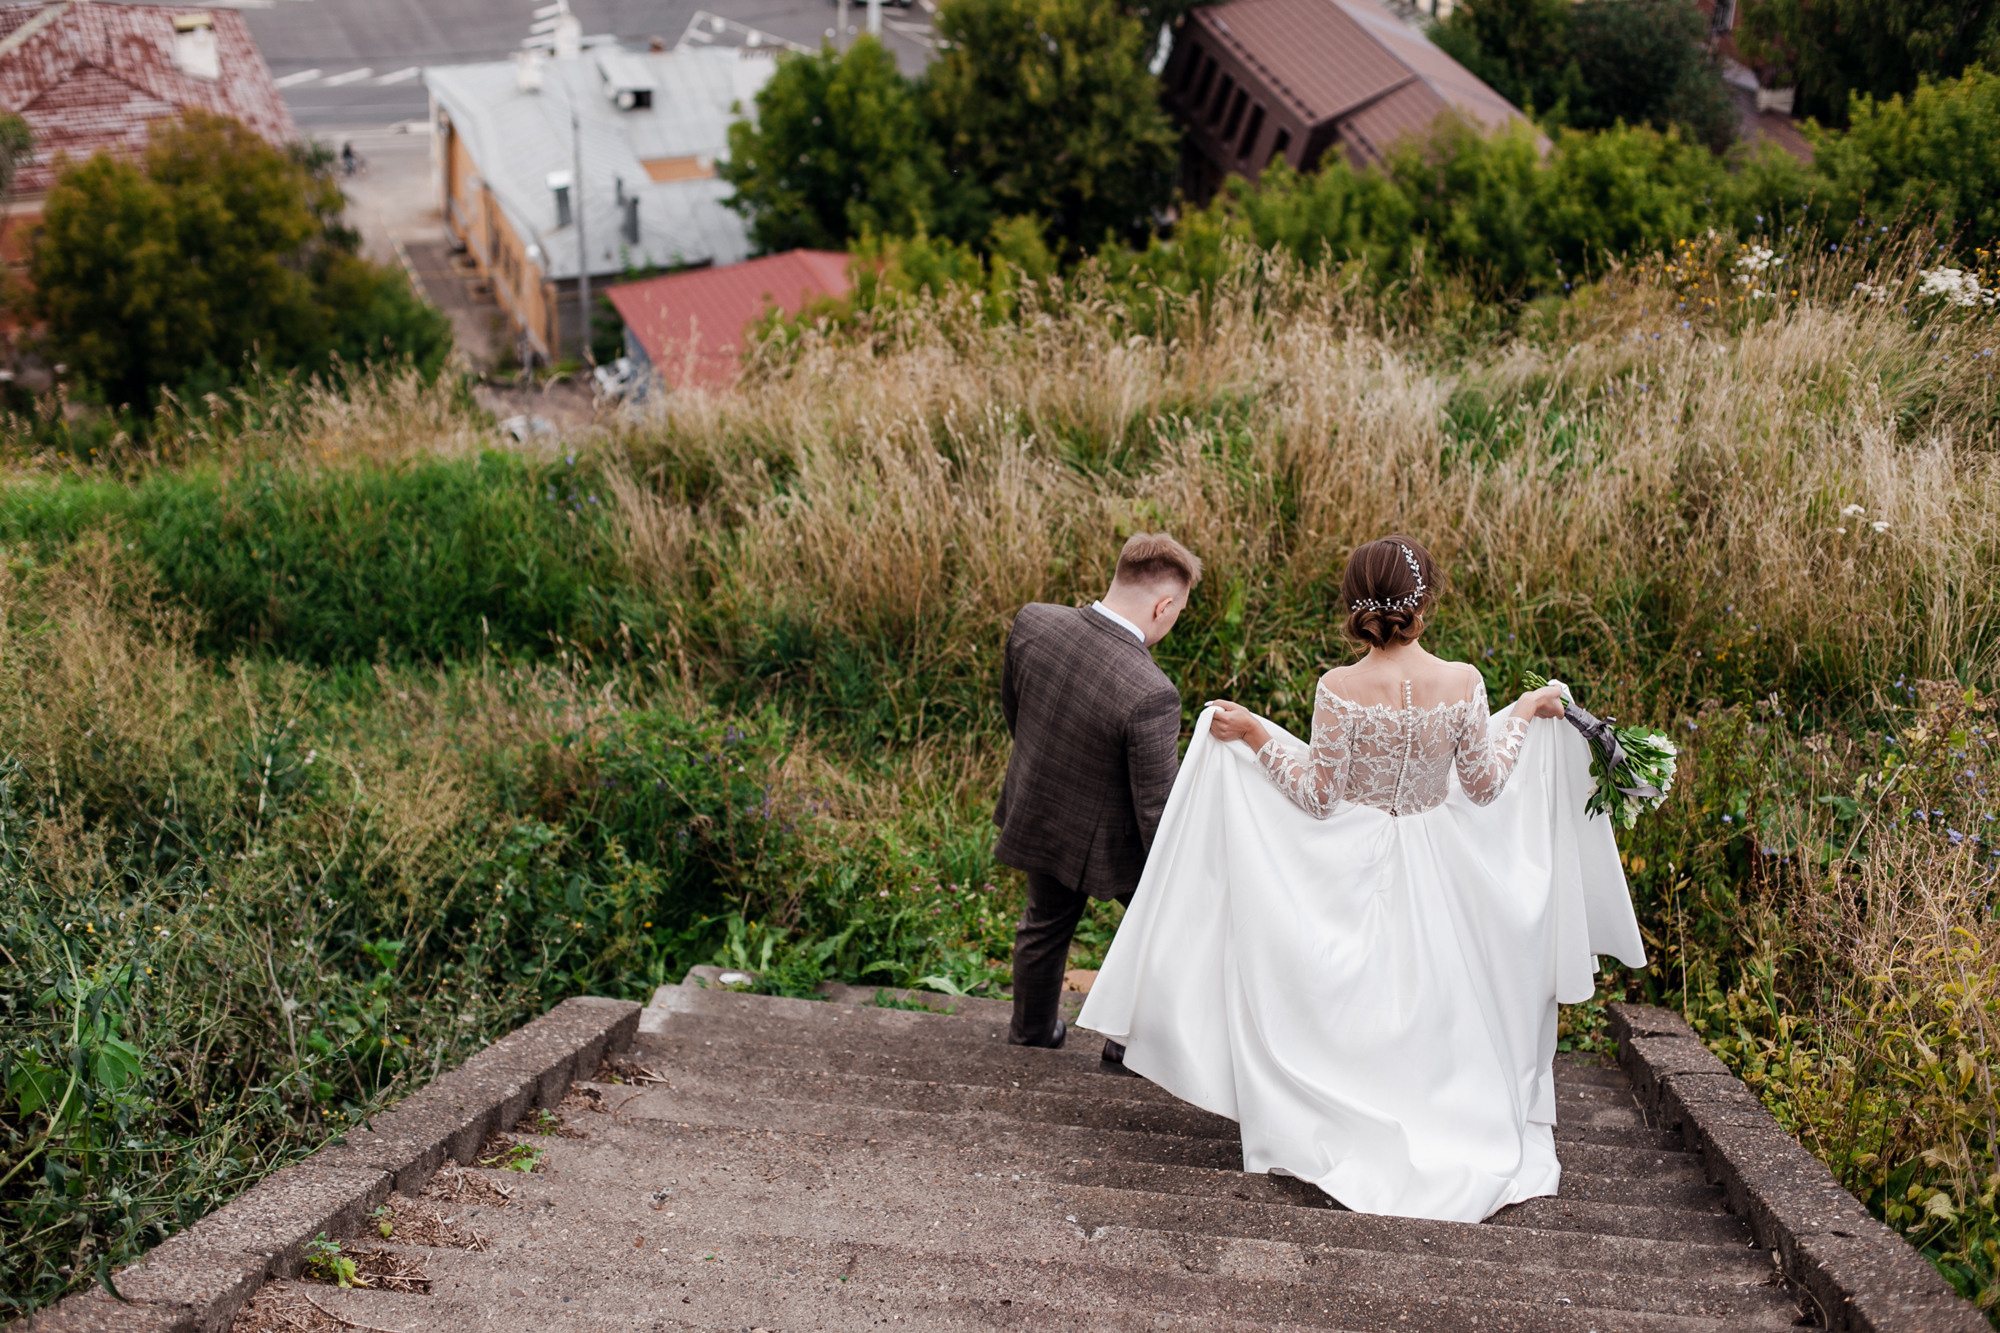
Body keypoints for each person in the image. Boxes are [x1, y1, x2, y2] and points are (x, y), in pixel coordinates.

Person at [1078, 535, 1647, 1222]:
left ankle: (1355, 1109)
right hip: (1443, 863)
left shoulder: (1338, 689)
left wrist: (1258, 736)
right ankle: (1443, 1111)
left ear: (1355, 606)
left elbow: (1319, 796)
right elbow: (1487, 785)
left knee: (1358, 989)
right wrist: (1524, 713)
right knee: (1441, 993)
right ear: (1423, 602)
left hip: (1358, 857)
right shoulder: (1464, 681)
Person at [994, 533, 1201, 1059]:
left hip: (1041, 804)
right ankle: (1131, 1046)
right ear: (1164, 605)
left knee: (1043, 925)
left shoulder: (1033, 622)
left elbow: (1014, 713)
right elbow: (1156, 811)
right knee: (1163, 930)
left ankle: (1031, 1035)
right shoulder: (1151, 691)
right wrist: (1182, 875)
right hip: (1113, 839)